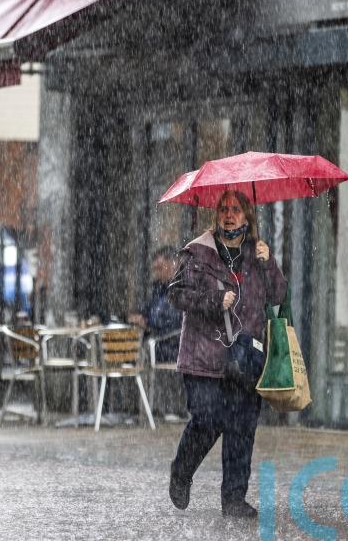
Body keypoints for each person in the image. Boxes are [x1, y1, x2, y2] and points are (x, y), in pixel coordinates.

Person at [167, 189, 287, 519]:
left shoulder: (257, 255)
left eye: (235, 209)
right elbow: (175, 294)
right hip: (203, 358)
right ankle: (182, 470)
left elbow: (278, 296)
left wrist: (269, 262)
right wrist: (211, 302)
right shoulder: (198, 251)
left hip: (246, 357)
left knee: (241, 427)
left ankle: (234, 499)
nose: (228, 215)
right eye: (223, 209)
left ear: (248, 215)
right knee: (207, 419)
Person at [128, 246, 185, 417]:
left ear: (173, 264)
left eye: (160, 268)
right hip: (156, 342)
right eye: (155, 269)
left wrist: (149, 322)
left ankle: (151, 407)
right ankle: (138, 407)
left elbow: (176, 319)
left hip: (174, 345)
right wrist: (137, 316)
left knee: (136, 353)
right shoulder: (158, 289)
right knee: (124, 351)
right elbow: (148, 310)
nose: (157, 273)